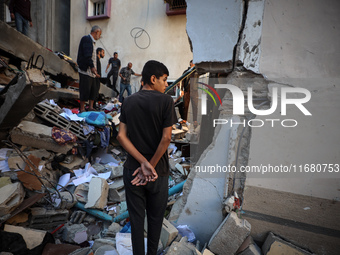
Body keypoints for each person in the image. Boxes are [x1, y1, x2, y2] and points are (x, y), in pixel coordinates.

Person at [117, 60, 177, 255]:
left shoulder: (128, 101)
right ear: (153, 79)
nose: (166, 84)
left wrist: (141, 163)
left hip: (132, 171)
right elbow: (166, 138)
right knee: (155, 221)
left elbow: (121, 136)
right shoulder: (167, 102)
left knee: (135, 222)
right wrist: (150, 166)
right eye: (164, 80)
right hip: (157, 173)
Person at [76, 25, 102, 113]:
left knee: (93, 89)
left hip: (91, 72)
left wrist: (94, 70)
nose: (100, 36)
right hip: (85, 70)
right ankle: (82, 108)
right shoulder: (86, 39)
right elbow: (87, 55)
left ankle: (90, 107)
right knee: (84, 89)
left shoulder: (93, 42)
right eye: (100, 34)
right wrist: (92, 67)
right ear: (96, 32)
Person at [180, 60, 198, 127]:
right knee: (185, 105)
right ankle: (184, 119)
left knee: (195, 105)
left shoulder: (196, 71)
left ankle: (195, 120)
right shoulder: (186, 72)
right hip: (187, 90)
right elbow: (182, 80)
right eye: (192, 62)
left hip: (194, 91)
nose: (193, 63)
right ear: (190, 63)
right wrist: (181, 89)